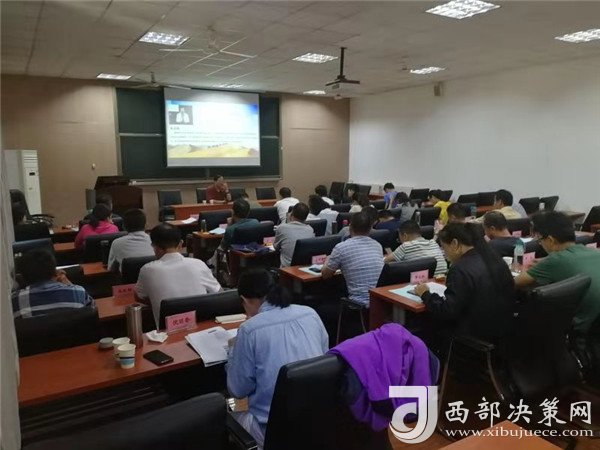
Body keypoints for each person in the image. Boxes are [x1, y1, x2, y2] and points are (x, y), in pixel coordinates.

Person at [227, 269, 328, 448]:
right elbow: (323, 358)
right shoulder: (310, 313)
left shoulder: (249, 330)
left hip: (272, 431)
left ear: (245, 300)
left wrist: (232, 350)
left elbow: (238, 390)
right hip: (317, 421)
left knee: (225, 412)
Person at [413, 223, 515, 353]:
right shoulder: (494, 258)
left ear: (455, 243)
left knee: (425, 323)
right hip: (501, 331)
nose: (444, 254)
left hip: (472, 337)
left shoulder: (460, 269)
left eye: (444, 248)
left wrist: (426, 294)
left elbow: (447, 311)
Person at [515, 211, 600, 335]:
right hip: (595, 327)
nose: (540, 244)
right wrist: (547, 261)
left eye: (540, 240)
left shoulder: (555, 261)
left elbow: (514, 283)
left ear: (550, 240)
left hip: (580, 328)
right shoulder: (593, 252)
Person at [135, 223, 221, 327]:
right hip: (201, 328)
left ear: (154, 246)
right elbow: (219, 293)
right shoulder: (198, 264)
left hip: (167, 333)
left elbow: (139, 296)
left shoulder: (147, 270)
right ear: (180, 244)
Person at [322, 210, 385, 307]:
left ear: (350, 227)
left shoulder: (341, 247)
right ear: (370, 229)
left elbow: (326, 275)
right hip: (379, 302)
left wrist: (327, 260)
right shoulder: (377, 245)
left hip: (358, 305)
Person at [12, 249, 94, 318]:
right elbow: (93, 310)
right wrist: (69, 284)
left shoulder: (15, 300)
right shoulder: (78, 292)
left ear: (23, 277)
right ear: (54, 271)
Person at [384, 220, 448, 276]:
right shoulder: (433, 243)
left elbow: (386, 261)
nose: (400, 241)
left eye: (399, 239)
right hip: (443, 278)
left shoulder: (406, 246)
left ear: (405, 236)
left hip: (423, 281)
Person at [274, 203, 315, 267]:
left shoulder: (282, 228)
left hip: (287, 269)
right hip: (304, 267)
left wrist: (288, 220)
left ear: (291, 214)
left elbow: (276, 247)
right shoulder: (310, 229)